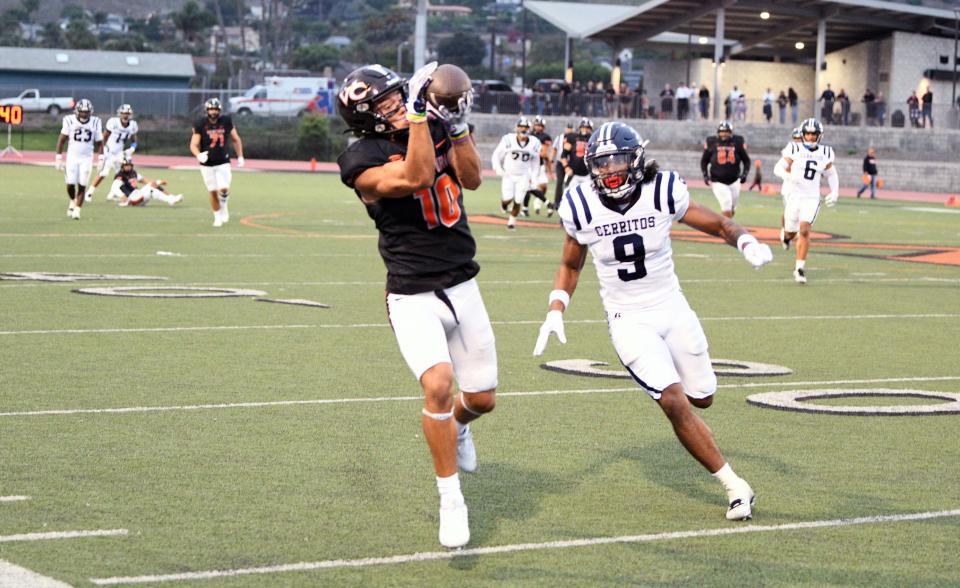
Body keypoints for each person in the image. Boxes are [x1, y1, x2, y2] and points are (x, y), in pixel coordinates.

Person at [533, 121, 771, 522]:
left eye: (617, 162)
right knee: (673, 401)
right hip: (628, 318)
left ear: (636, 159)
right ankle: (734, 486)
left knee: (702, 397)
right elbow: (570, 263)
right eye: (602, 164)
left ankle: (702, 423)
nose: (609, 172)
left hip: (672, 307)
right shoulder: (579, 203)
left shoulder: (662, 190)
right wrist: (556, 306)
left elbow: (719, 223)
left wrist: (745, 241)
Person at [336, 62, 496, 549]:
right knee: (439, 384)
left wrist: (460, 126)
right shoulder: (361, 158)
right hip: (412, 291)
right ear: (366, 119)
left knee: (482, 399)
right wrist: (424, 119)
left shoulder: (433, 124)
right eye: (383, 104)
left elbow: (471, 180)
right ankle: (451, 499)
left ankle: (459, 430)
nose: (396, 106)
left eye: (396, 96)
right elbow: (417, 175)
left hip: (463, 283)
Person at [774, 118, 839, 284]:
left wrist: (835, 191)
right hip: (794, 197)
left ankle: (799, 268)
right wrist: (787, 176)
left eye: (813, 134)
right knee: (790, 232)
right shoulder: (794, 148)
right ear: (803, 134)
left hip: (811, 198)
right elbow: (778, 167)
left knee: (804, 230)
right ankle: (786, 237)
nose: (810, 137)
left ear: (819, 135)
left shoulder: (825, 152)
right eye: (807, 134)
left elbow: (831, 174)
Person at [190, 97, 244, 227]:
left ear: (219, 110)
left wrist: (240, 156)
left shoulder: (225, 121)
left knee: (224, 188)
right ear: (206, 110)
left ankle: (224, 205)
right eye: (211, 109)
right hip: (207, 163)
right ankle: (217, 216)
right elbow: (193, 144)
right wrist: (198, 155)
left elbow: (236, 139)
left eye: (215, 109)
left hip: (223, 161)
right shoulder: (200, 123)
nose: (213, 112)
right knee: (213, 191)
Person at [55, 99, 102, 220]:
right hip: (72, 157)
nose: (84, 114)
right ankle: (73, 200)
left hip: (87, 158)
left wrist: (101, 158)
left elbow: (99, 142)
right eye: (82, 112)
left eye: (86, 112)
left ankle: (77, 210)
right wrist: (58, 157)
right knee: (70, 184)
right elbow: (62, 140)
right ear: (77, 111)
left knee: (82, 184)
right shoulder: (69, 120)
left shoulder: (96, 122)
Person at [492, 117, 541, 230]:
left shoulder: (534, 142)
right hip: (508, 174)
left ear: (529, 129)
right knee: (508, 198)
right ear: (517, 128)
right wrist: (498, 168)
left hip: (523, 175)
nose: (523, 129)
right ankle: (504, 204)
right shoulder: (508, 139)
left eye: (526, 127)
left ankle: (511, 222)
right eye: (521, 127)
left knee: (518, 200)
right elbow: (496, 154)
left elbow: (535, 162)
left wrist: (534, 177)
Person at [701, 121, 751, 218]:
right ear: (718, 132)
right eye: (722, 131)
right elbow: (704, 161)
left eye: (727, 131)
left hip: (735, 181)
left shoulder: (738, 142)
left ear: (731, 132)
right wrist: (705, 175)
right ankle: (725, 231)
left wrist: (744, 174)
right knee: (726, 206)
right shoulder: (712, 142)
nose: (724, 134)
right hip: (718, 181)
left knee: (731, 210)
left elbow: (746, 161)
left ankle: (721, 225)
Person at [90, 103, 138, 202]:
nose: (125, 115)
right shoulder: (113, 122)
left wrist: (132, 149)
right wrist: (102, 155)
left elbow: (134, 141)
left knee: (121, 175)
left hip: (119, 153)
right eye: (124, 113)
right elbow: (103, 139)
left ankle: (113, 193)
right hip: (109, 150)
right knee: (104, 173)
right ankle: (89, 192)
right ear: (120, 114)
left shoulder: (132, 125)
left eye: (127, 114)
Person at [109, 157, 183, 206]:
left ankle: (171, 198)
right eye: (126, 165)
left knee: (153, 187)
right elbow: (114, 187)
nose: (128, 167)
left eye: (129, 165)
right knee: (152, 188)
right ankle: (171, 199)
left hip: (138, 196)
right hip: (132, 199)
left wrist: (156, 182)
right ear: (122, 166)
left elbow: (144, 180)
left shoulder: (133, 173)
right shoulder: (120, 175)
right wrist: (122, 197)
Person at [555, 117, 593, 210]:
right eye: (583, 127)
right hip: (574, 174)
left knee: (590, 198)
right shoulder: (572, 137)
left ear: (590, 129)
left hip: (588, 174)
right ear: (579, 127)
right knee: (567, 196)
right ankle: (564, 217)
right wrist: (566, 167)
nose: (585, 129)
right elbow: (563, 156)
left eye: (587, 127)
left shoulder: (593, 139)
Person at [523, 115, 554, 215]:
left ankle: (537, 203)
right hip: (528, 165)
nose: (538, 127)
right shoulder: (528, 135)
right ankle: (526, 208)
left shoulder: (546, 137)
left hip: (539, 165)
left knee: (543, 186)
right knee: (529, 186)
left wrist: (550, 171)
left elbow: (544, 153)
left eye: (540, 125)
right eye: (537, 125)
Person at [550, 121, 574, 216]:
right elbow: (555, 149)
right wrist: (552, 159)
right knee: (559, 182)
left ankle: (566, 202)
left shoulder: (575, 138)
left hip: (571, 163)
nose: (569, 130)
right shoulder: (560, 138)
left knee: (568, 184)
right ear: (565, 129)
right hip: (560, 162)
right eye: (568, 128)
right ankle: (557, 202)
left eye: (571, 128)